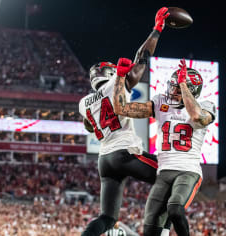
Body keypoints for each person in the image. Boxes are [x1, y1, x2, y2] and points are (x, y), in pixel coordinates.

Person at [78, 7, 170, 236]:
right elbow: (142, 59)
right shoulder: (115, 84)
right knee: (175, 177)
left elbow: (88, 125)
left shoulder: (84, 102)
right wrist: (156, 30)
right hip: (124, 152)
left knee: (107, 218)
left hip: (105, 160)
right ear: (109, 73)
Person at [113, 58, 216, 236]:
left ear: (190, 90)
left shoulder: (206, 106)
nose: (172, 90)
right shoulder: (161, 103)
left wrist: (183, 85)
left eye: (178, 87)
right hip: (164, 172)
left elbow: (197, 117)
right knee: (151, 229)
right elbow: (121, 109)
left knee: (175, 209)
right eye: (173, 85)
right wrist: (120, 79)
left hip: (188, 171)